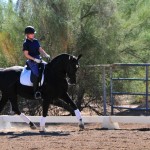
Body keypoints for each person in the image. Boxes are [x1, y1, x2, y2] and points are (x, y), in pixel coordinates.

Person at [22, 26, 50, 99]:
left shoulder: (35, 41)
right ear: (27, 34)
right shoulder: (26, 43)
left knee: (48, 68)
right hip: (32, 61)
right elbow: (26, 55)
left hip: (39, 58)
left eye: (33, 33)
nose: (33, 34)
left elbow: (40, 49)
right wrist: (34, 59)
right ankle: (36, 92)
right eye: (31, 33)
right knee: (36, 74)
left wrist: (46, 54)